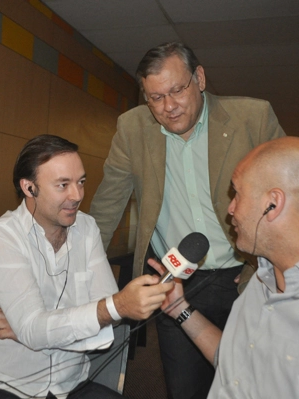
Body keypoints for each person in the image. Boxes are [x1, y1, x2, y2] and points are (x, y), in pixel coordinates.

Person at [89, 41, 285, 399]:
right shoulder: (132, 129)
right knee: (185, 389)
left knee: (252, 383)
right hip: (177, 283)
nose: (169, 106)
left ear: (200, 78)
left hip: (246, 277)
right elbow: (105, 208)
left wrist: (277, 266)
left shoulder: (252, 119)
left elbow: (290, 197)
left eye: (177, 90)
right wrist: (74, 283)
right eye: (156, 97)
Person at [151, 136, 299, 398]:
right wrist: (179, 309)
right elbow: (237, 369)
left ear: (272, 204)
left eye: (237, 194)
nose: (230, 209)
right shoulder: (263, 278)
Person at [0, 135, 173, 399]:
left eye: (81, 182)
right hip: (9, 383)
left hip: (73, 383)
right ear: (29, 187)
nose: (77, 195)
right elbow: (106, 311)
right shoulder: (2, 237)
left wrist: (29, 333)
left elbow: (105, 325)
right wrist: (112, 307)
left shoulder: (87, 228)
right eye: (62, 185)